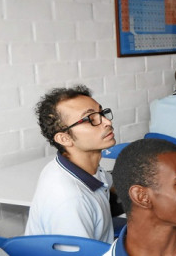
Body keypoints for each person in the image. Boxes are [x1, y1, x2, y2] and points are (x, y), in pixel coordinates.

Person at [26, 85, 118, 242]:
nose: (107, 122)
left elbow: (106, 187)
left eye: (101, 113)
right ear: (64, 138)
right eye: (90, 119)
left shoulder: (80, 167)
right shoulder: (71, 200)